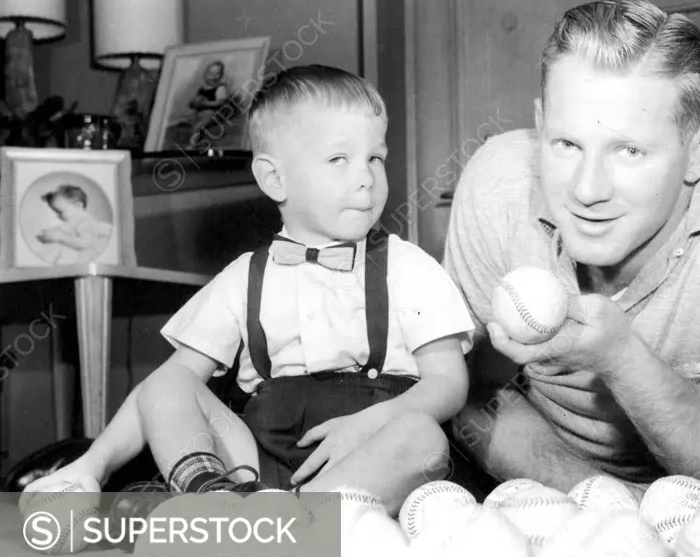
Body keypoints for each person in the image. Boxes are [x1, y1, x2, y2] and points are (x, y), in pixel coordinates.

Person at [23, 65, 475, 514]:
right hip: (261, 474)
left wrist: (369, 423)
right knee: (165, 383)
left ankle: (299, 526)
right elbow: (163, 391)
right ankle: (217, 499)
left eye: (375, 157)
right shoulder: (244, 277)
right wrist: (93, 466)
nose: (366, 177)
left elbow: (448, 383)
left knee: (425, 439)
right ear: (274, 179)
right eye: (340, 159)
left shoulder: (409, 266)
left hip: (370, 457)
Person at [444, 0, 700, 499]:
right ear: (541, 124)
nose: (587, 190)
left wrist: (623, 359)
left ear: (698, 153)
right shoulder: (497, 181)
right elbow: (465, 398)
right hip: (547, 495)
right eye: (566, 145)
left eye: (629, 151)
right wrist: (605, 505)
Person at [37, 184, 113, 264]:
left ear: (78, 206)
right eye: (56, 212)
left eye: (61, 211)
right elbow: (66, 229)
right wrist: (51, 233)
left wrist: (59, 237)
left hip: (90, 252)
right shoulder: (74, 221)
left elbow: (84, 243)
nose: (58, 216)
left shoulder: (85, 222)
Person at [186, 60, 230, 149]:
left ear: (220, 76)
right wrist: (195, 103)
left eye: (216, 74)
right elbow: (193, 102)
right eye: (210, 74)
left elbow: (220, 102)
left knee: (200, 124)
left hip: (212, 113)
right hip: (199, 112)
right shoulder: (202, 89)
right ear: (205, 74)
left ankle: (192, 145)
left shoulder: (220, 87)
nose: (213, 77)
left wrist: (205, 103)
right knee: (190, 119)